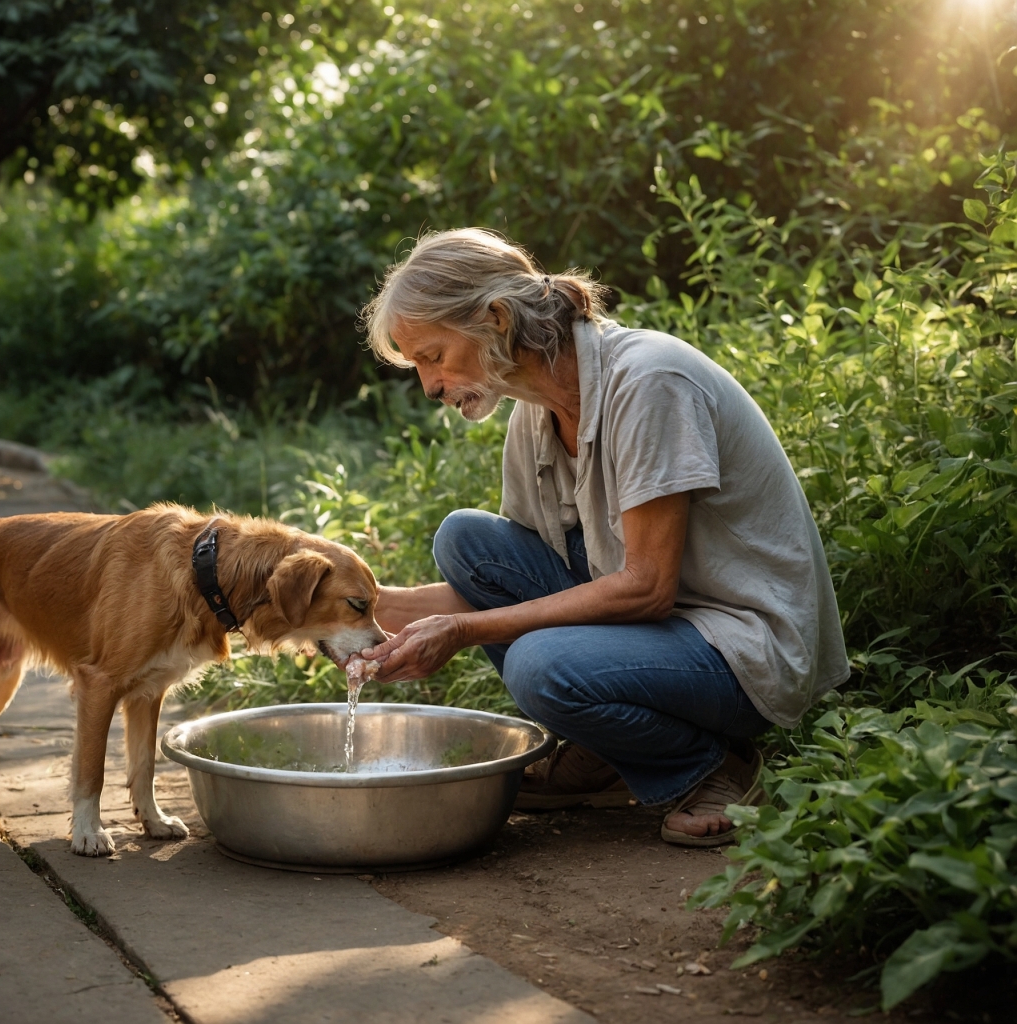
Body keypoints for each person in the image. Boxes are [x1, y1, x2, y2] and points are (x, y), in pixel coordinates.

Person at [359, 228, 848, 846]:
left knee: (541, 666)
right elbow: (508, 593)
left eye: (432, 355)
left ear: (496, 319)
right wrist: (351, 611)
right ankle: (605, 752)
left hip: (744, 649)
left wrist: (460, 633)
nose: (429, 385)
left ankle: (711, 766)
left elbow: (646, 590)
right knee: (466, 540)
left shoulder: (649, 382)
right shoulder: (531, 415)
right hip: (660, 637)